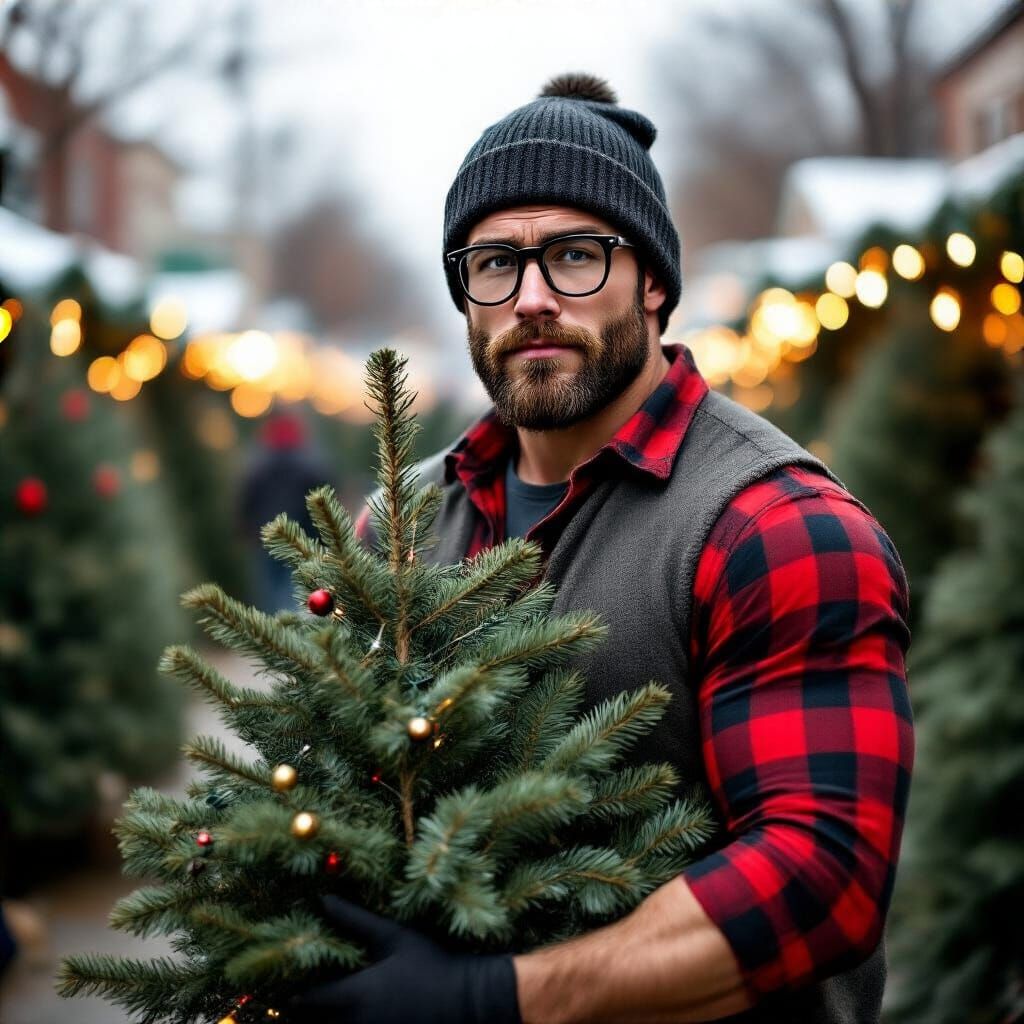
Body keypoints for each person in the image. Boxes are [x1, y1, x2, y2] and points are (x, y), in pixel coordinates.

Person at [292, 73, 913, 1023]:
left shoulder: (776, 528)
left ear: (653, 281)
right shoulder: (398, 526)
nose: (532, 298)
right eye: (494, 263)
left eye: (576, 256)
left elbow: (822, 876)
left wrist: (494, 1000)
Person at [238, 411, 334, 612]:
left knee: (273, 588)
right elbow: (324, 502)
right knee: (301, 585)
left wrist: (246, 530)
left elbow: (247, 501)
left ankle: (277, 624)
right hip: (303, 536)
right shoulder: (309, 467)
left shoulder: (258, 468)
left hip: (268, 537)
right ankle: (300, 621)